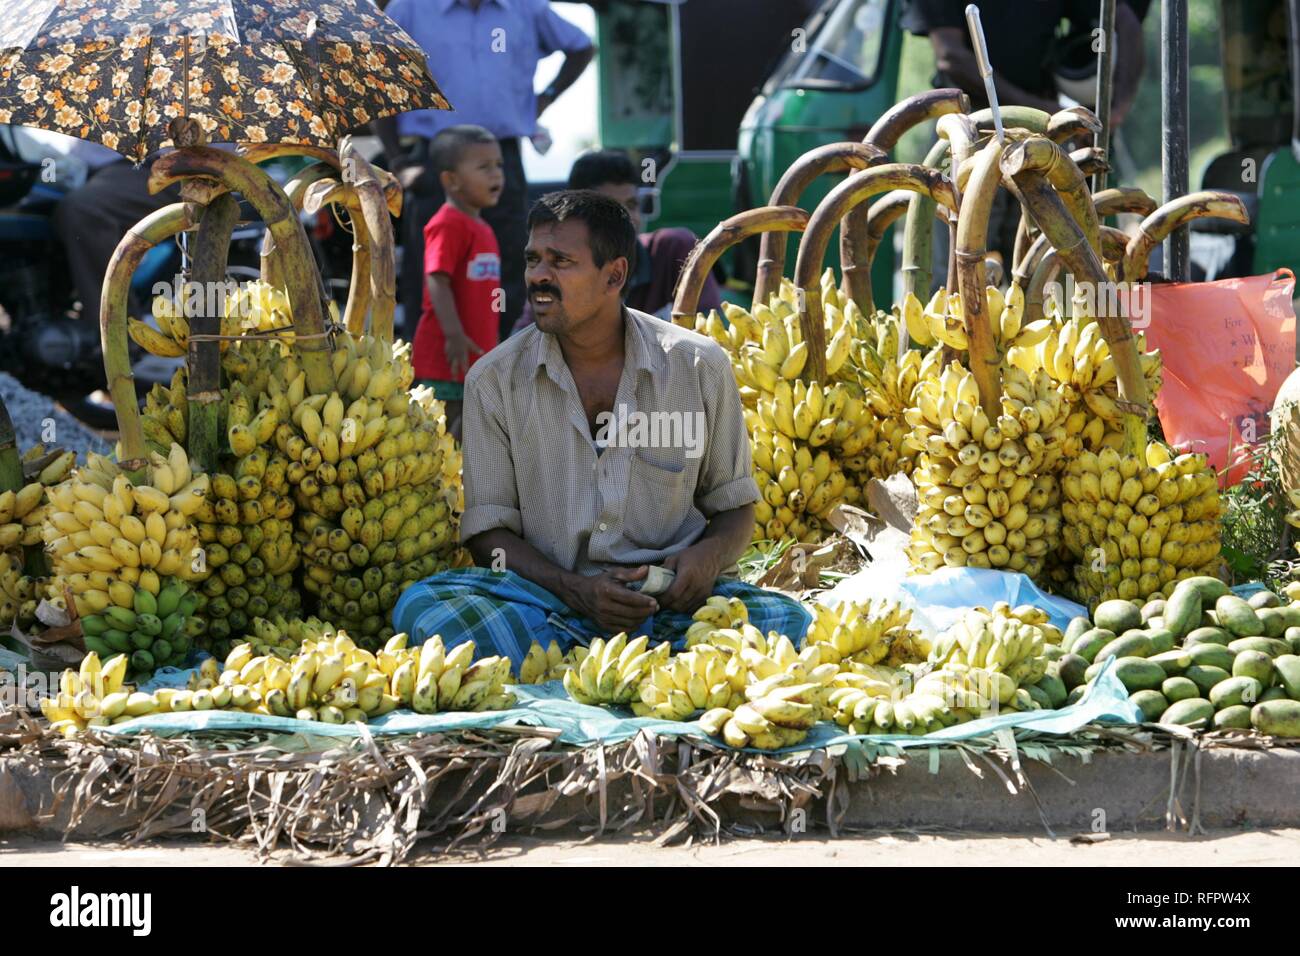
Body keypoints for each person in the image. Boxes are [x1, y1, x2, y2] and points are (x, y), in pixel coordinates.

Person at [393, 191, 809, 666]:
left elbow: (734, 509)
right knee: (425, 609)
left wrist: (708, 558)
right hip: (548, 601)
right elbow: (489, 536)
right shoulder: (494, 380)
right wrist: (576, 590)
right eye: (533, 260)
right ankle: (651, 662)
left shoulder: (698, 366)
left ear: (614, 275)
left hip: (673, 606)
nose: (538, 277)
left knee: (786, 621)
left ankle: (594, 658)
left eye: (561, 261)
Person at [375, 0, 595, 344]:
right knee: (431, 271)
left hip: (501, 156)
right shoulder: (412, 8)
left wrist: (547, 96)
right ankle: (428, 381)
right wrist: (398, 161)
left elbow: (581, 46)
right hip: (435, 160)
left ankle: (509, 370)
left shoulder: (525, 8)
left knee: (510, 266)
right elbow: (375, 74)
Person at [902, 0, 1149, 276]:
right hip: (966, 134)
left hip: (1039, 137)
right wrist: (1045, 111)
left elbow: (1122, 19)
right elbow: (951, 56)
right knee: (958, 271)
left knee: (1043, 270)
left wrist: (1117, 110)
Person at [512, 150, 723, 332]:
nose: (627, 219)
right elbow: (520, 347)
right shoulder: (556, 274)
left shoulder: (676, 249)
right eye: (611, 209)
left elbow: (712, 333)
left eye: (632, 205)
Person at [413, 126, 505, 440]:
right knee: (442, 433)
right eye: (484, 167)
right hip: (446, 357)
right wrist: (453, 334)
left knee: (471, 432)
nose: (496, 175)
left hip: (476, 356)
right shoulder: (447, 224)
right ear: (451, 180)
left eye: (499, 165)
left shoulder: (484, 228)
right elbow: (436, 278)